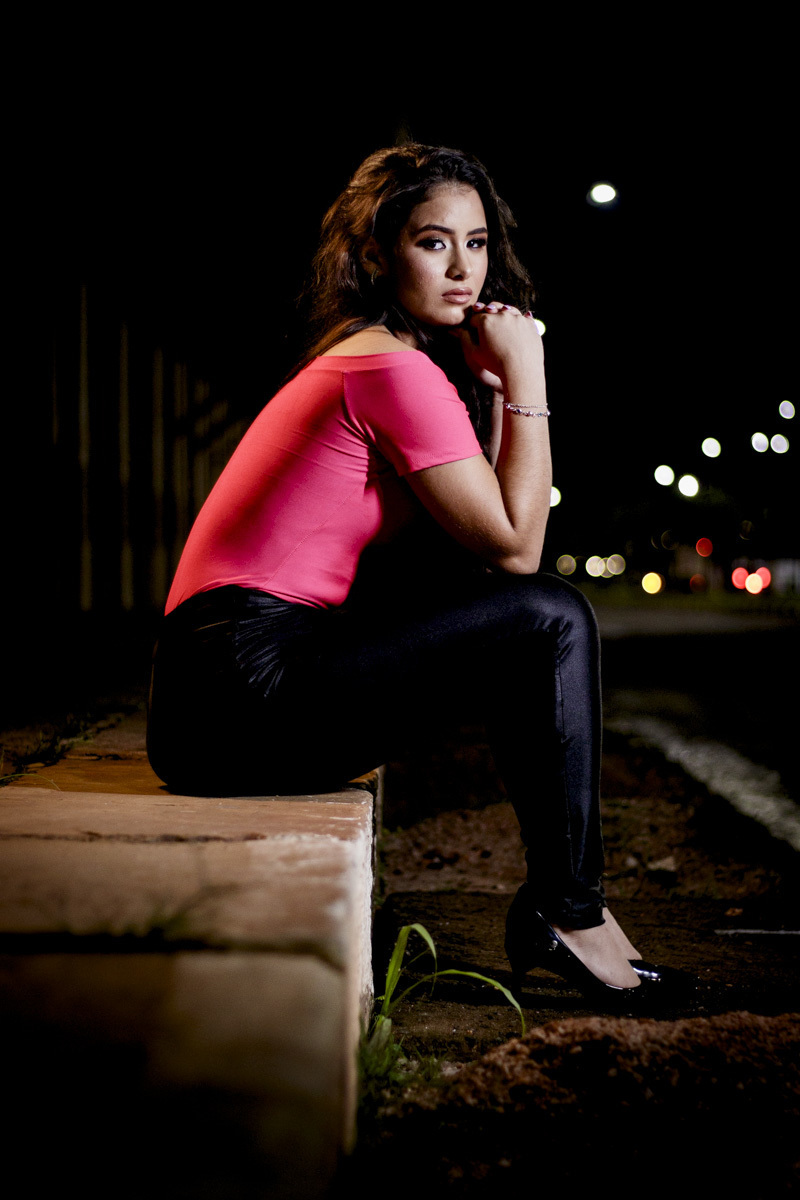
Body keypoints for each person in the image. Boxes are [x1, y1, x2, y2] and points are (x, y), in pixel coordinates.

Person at [147, 144, 691, 1007]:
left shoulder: (378, 357)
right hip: (238, 686)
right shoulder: (391, 370)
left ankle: (571, 907)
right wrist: (529, 370)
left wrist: (501, 389)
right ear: (375, 256)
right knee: (551, 616)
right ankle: (569, 911)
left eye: (477, 243)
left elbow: (486, 554)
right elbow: (518, 551)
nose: (464, 269)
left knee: (527, 618)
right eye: (434, 243)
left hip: (216, 693)